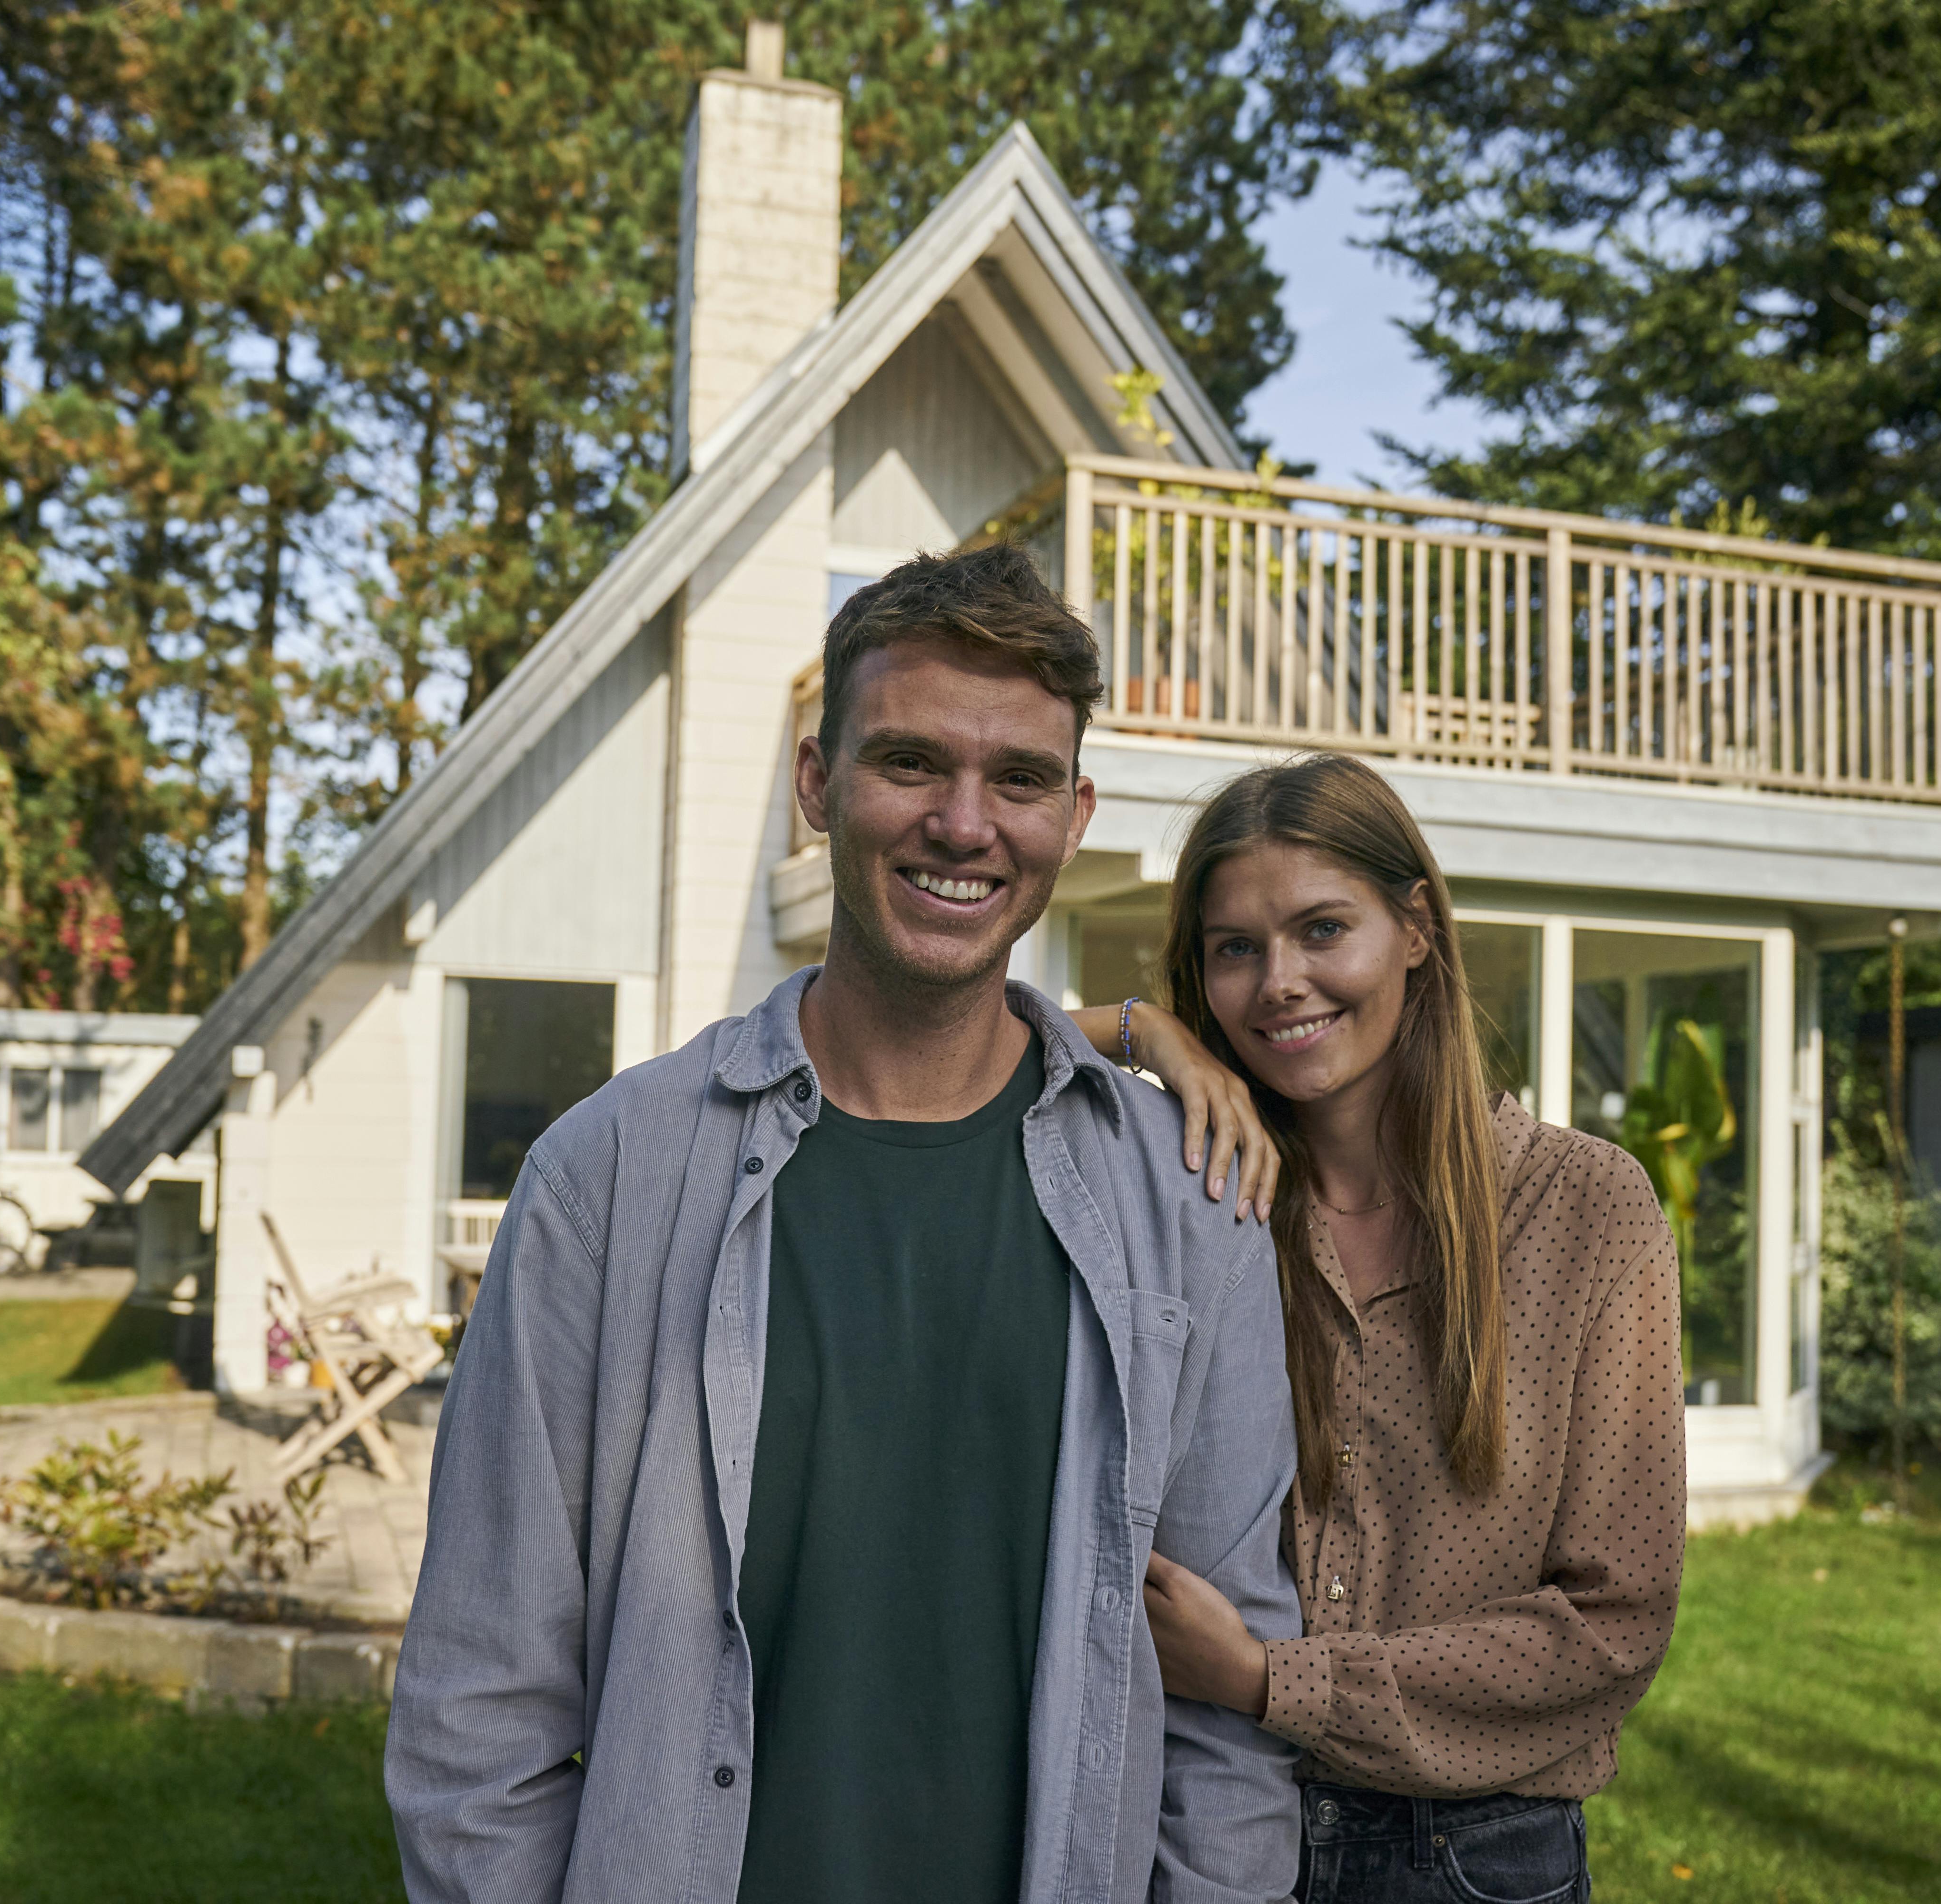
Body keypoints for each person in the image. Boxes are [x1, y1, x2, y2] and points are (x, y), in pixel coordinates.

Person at [385, 544, 1306, 1904]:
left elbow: (1224, 1731)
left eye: (1021, 780)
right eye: (912, 763)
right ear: (817, 785)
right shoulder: (609, 1178)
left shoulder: (1189, 1208)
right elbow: (480, 1706)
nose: (965, 823)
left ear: (1076, 814)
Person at [1120, 754, 1688, 1904]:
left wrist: (1271, 1678)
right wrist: (1143, 1032)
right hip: (1219, 1827)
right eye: (1234, 947)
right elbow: (952, 1053)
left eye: (1324, 927)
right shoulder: (1200, 1194)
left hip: (1477, 1857)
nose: (1281, 981)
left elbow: (1614, 1621)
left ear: (1417, 928)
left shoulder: (1584, 1204)